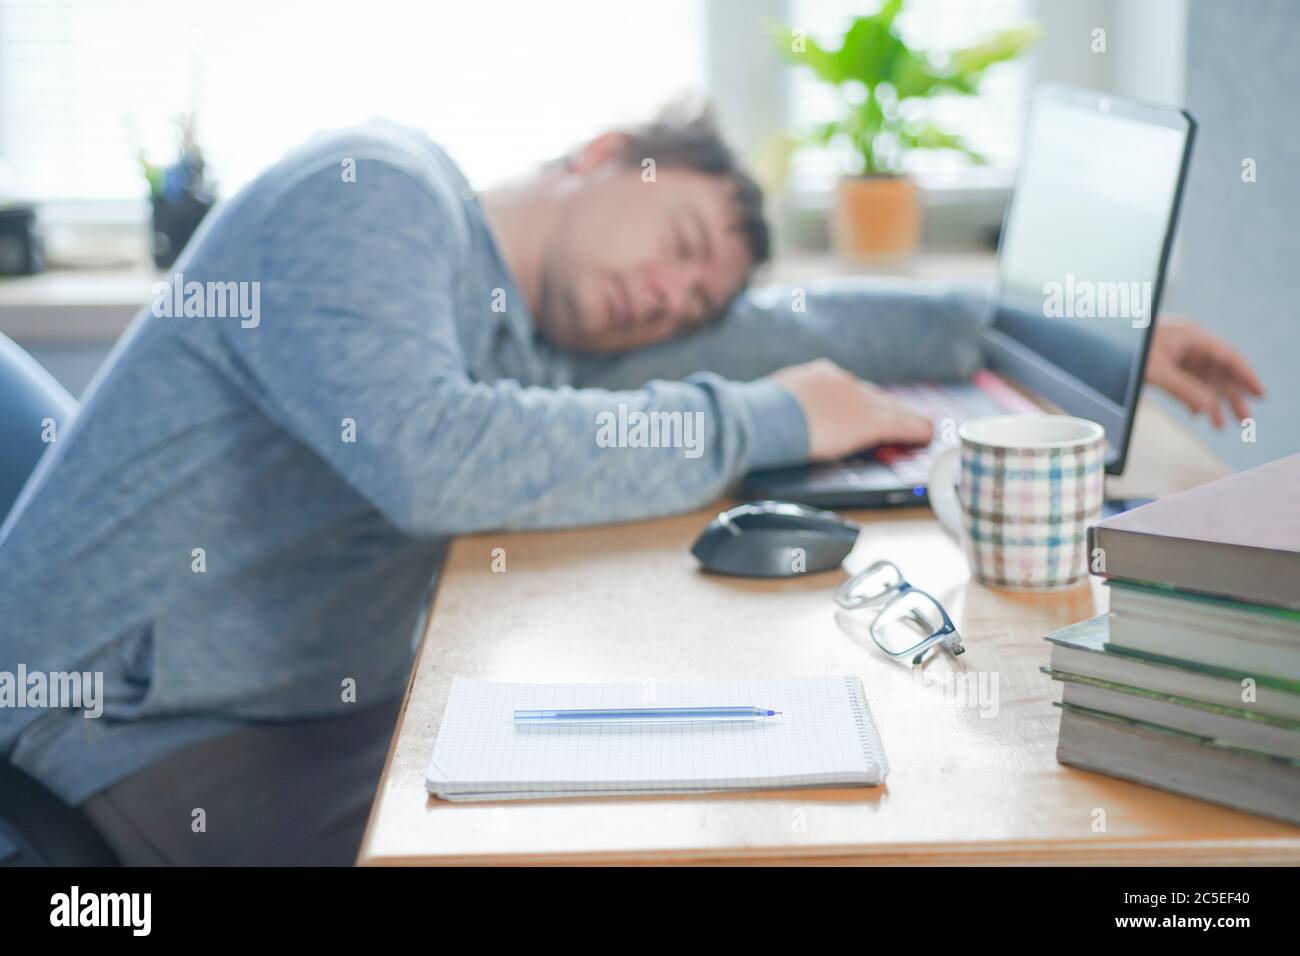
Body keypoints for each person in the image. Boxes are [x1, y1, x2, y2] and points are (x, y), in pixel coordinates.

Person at [0, 102, 1262, 865]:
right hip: (129, 738)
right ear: (603, 155)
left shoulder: (527, 333)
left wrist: (1089, 336)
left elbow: (768, 326)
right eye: (681, 244)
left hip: (251, 705)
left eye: (696, 295)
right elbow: (431, 451)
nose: (674, 293)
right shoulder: (372, 191)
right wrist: (767, 415)